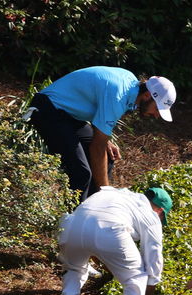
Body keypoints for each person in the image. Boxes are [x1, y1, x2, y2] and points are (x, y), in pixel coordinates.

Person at [25, 66, 176, 200]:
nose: (157, 115)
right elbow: (97, 147)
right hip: (48, 109)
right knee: (81, 173)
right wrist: (106, 193)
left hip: (69, 115)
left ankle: (95, 215)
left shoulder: (131, 88)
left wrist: (105, 140)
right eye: (157, 109)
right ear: (148, 95)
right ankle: (73, 224)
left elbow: (101, 129)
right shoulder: (119, 94)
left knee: (108, 158)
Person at [54, 186, 172, 295]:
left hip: (71, 227)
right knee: (136, 278)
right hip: (110, 231)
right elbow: (154, 260)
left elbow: (91, 231)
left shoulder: (112, 194)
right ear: (160, 211)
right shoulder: (150, 215)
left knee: (74, 267)